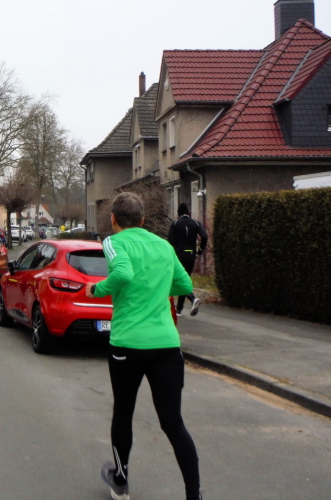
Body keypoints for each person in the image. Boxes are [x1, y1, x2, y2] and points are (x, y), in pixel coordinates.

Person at [85, 192, 201, 500]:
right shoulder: (163, 245)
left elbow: (123, 273)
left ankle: (121, 482)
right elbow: (185, 285)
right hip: (166, 345)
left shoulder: (114, 242)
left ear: (113, 219)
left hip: (128, 343)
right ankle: (194, 495)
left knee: (123, 413)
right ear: (143, 220)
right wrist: (157, 287)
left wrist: (97, 289)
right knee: (173, 422)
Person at [168, 203, 209, 317]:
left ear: (178, 213)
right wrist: (200, 250)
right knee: (185, 279)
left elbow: (170, 242)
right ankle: (179, 309)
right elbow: (205, 236)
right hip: (191, 255)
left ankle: (193, 298)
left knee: (179, 280)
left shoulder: (175, 224)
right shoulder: (195, 223)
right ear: (188, 212)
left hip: (179, 255)